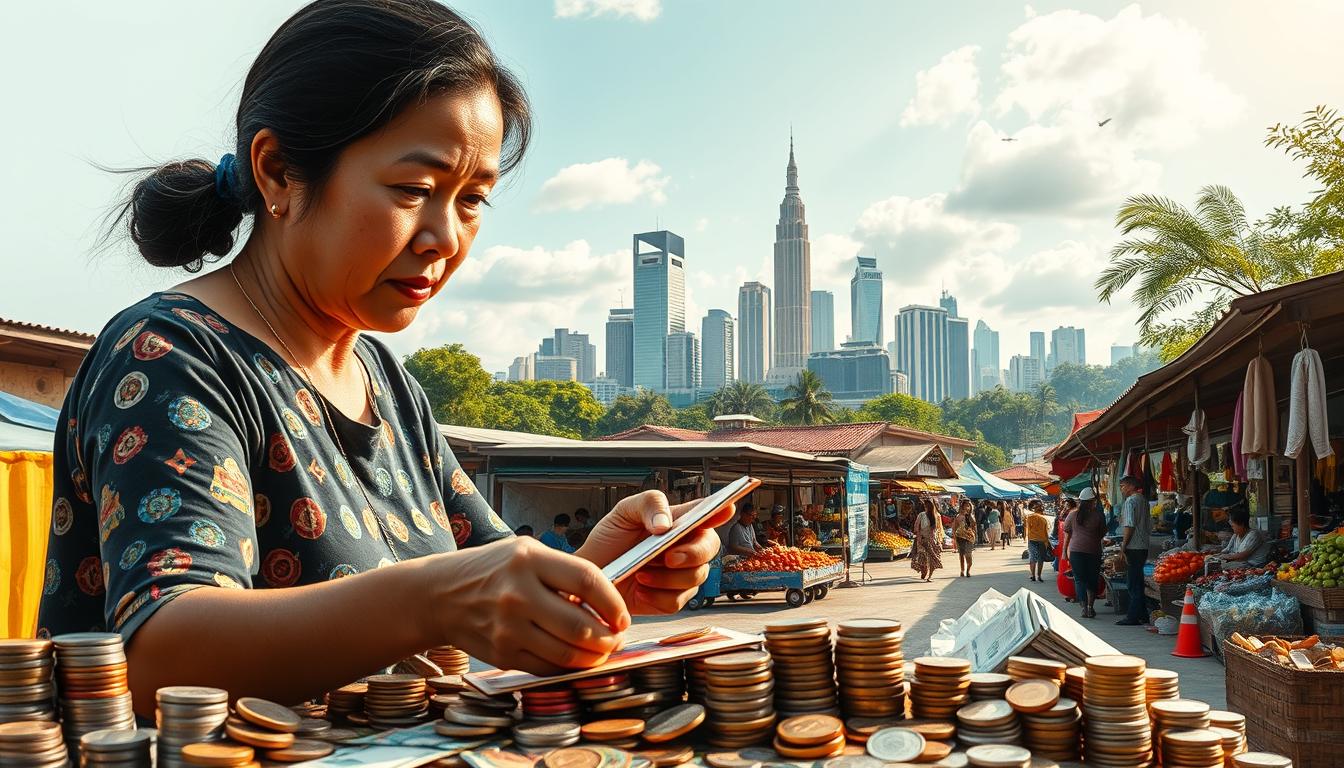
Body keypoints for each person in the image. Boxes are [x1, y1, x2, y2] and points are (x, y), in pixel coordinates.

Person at [35, 0, 730, 713]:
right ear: (277, 173)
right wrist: (433, 601)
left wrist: (604, 570)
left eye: (472, 201)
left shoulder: (386, 384)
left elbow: (475, 596)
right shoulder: (170, 355)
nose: (445, 237)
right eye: (413, 190)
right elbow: (161, 654)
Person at [1115, 475, 1152, 626]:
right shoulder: (1143, 500)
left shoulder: (1130, 501)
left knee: (1133, 583)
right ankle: (1142, 614)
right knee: (1138, 581)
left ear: (1130, 486)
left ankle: (1133, 616)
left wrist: (1123, 546)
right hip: (1143, 546)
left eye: (1123, 486)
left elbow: (1129, 526)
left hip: (1134, 546)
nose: (1122, 489)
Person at [1065, 489, 1107, 619]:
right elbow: (1102, 533)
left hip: (1076, 551)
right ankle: (1090, 607)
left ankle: (1084, 608)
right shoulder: (1098, 515)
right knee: (1092, 579)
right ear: (1093, 501)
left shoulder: (1072, 515)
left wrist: (1064, 553)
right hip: (1093, 551)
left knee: (1079, 580)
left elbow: (1067, 534)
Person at [911, 499, 945, 582]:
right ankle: (924, 571)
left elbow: (937, 529)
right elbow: (916, 527)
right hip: (922, 539)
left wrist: (939, 540)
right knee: (922, 557)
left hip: (931, 540)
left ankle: (930, 576)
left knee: (932, 557)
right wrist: (919, 536)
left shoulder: (936, 516)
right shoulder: (922, 515)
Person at [1025, 499, 1051, 582]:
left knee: (1033, 558)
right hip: (1042, 541)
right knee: (1040, 559)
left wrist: (1028, 539)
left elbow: (1028, 530)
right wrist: (1048, 543)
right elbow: (1046, 532)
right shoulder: (1044, 519)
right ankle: (1039, 576)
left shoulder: (1029, 517)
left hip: (1032, 540)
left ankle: (1033, 575)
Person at [952, 500, 977, 577]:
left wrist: (969, 516)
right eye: (965, 506)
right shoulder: (958, 516)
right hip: (960, 537)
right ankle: (962, 570)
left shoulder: (971, 516)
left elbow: (974, 526)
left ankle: (968, 569)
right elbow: (955, 527)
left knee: (968, 556)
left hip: (969, 538)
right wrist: (954, 537)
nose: (967, 507)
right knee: (961, 555)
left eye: (968, 506)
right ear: (962, 507)